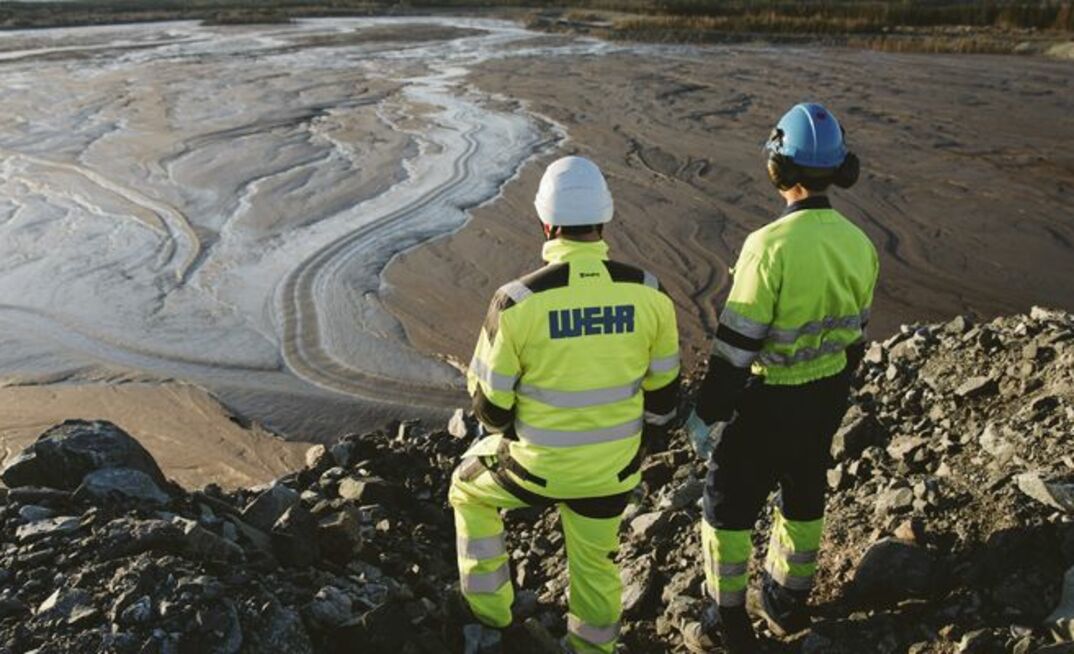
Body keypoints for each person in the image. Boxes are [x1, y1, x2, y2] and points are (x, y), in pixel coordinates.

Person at [448, 155, 681, 653]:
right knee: (596, 564)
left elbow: (489, 406)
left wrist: (518, 430)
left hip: (537, 468)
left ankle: (490, 613)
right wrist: (635, 450)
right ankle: (593, 648)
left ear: (545, 221)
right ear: (604, 217)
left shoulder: (517, 302)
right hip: (614, 470)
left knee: (467, 490)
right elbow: (664, 400)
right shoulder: (651, 295)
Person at [683, 103, 879, 652]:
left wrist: (707, 414)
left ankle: (726, 619)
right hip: (825, 396)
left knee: (727, 504)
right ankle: (787, 601)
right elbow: (855, 336)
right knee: (804, 492)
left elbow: (735, 350)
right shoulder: (859, 244)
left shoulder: (767, 248)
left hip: (769, 401)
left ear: (779, 168)